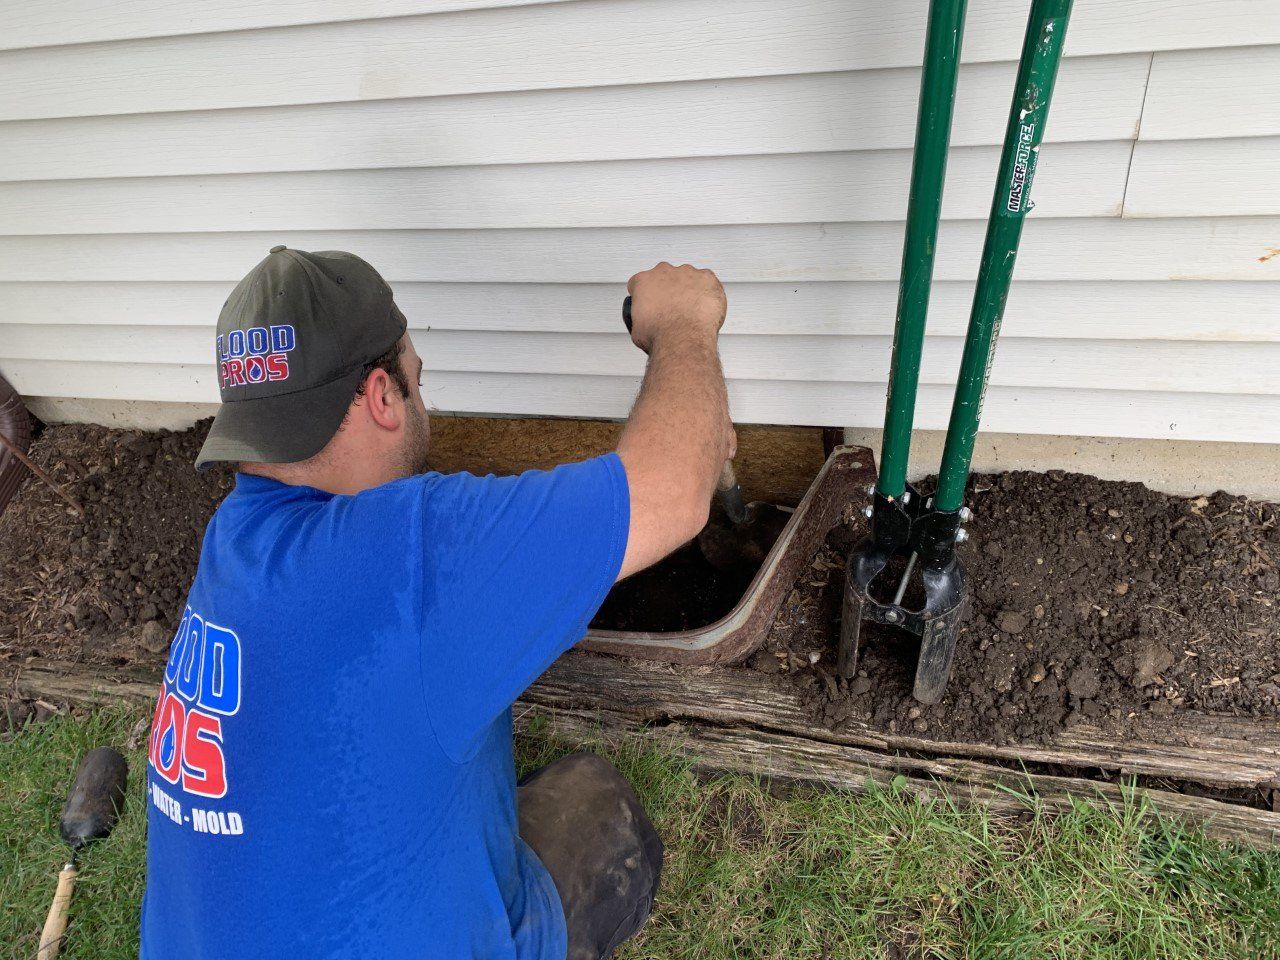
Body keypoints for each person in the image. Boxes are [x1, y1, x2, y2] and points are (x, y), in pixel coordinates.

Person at [141, 246, 734, 960]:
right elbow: (674, 488)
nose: (424, 394)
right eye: (418, 378)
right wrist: (684, 327)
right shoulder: (408, 557)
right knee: (595, 802)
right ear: (381, 397)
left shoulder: (234, 543)